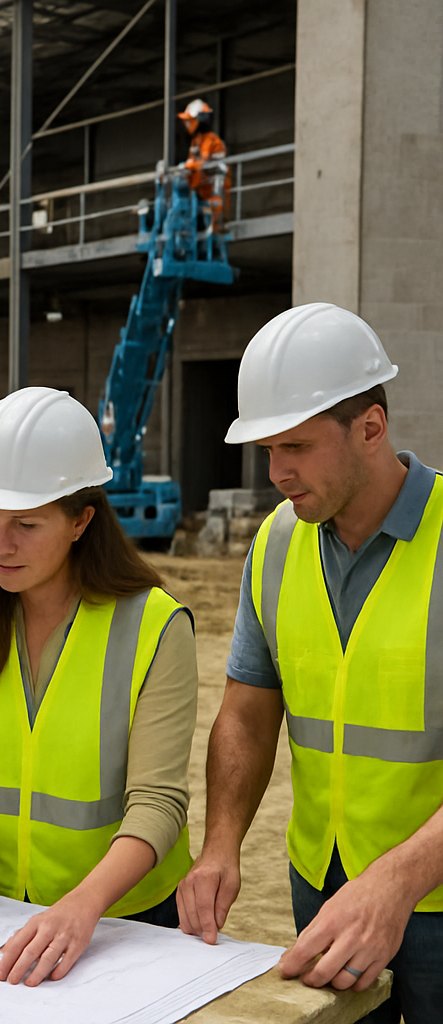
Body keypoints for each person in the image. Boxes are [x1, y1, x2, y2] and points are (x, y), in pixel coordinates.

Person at [176, 303, 443, 1024]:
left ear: (370, 428)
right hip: (319, 886)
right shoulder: (275, 545)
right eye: (267, 449)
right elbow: (245, 713)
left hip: (435, 904)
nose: (276, 473)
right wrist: (222, 843)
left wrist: (398, 880)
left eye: (295, 447)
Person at [0, 387, 198, 986]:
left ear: (81, 520)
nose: (0, 544)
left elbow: (158, 804)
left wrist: (84, 907)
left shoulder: (155, 625)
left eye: (26, 524)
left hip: (126, 922)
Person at [177, 98, 230, 231]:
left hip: (214, 197)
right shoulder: (196, 142)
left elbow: (203, 163)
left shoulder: (212, 141)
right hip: (200, 195)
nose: (187, 124)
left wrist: (189, 166)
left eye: (189, 120)